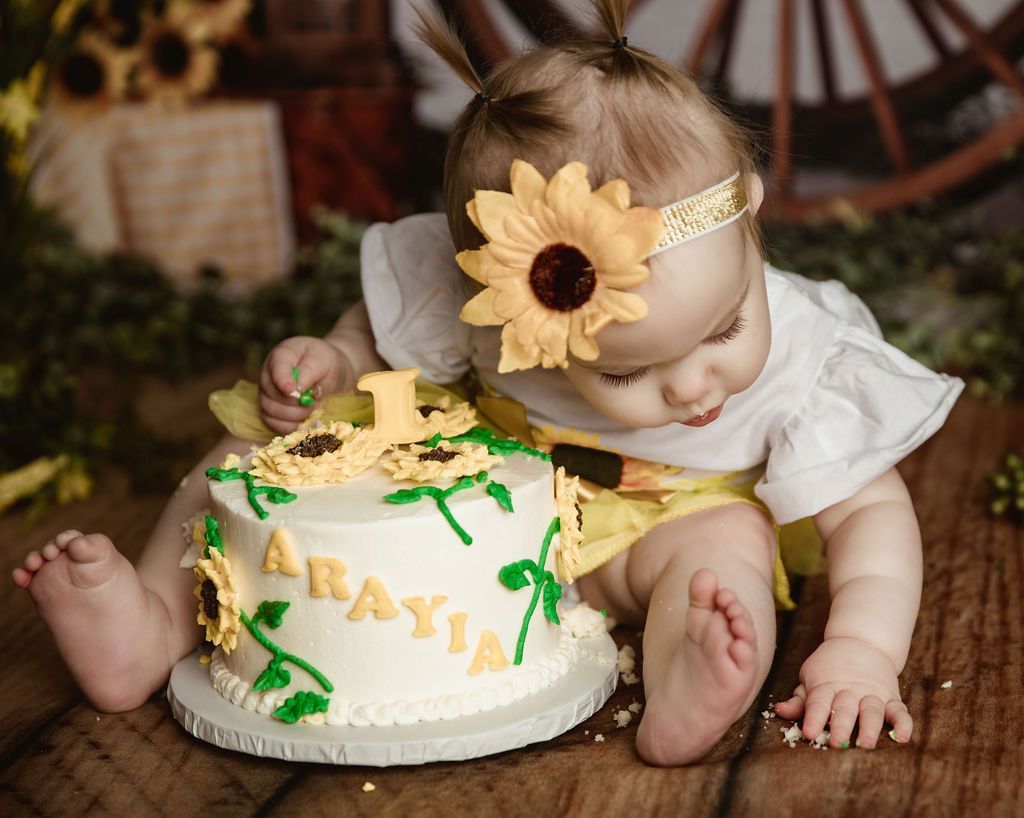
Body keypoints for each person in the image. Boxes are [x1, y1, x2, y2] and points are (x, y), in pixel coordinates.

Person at [14, 0, 962, 766]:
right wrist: (336, 362)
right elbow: (377, 342)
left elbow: (872, 521)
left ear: (751, 214)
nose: (691, 387)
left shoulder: (808, 352)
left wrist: (860, 653)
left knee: (728, 551)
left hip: (662, 522)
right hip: (470, 492)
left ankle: (687, 672)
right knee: (263, 460)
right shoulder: (474, 293)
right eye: (625, 369)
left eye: (722, 329)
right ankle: (146, 617)